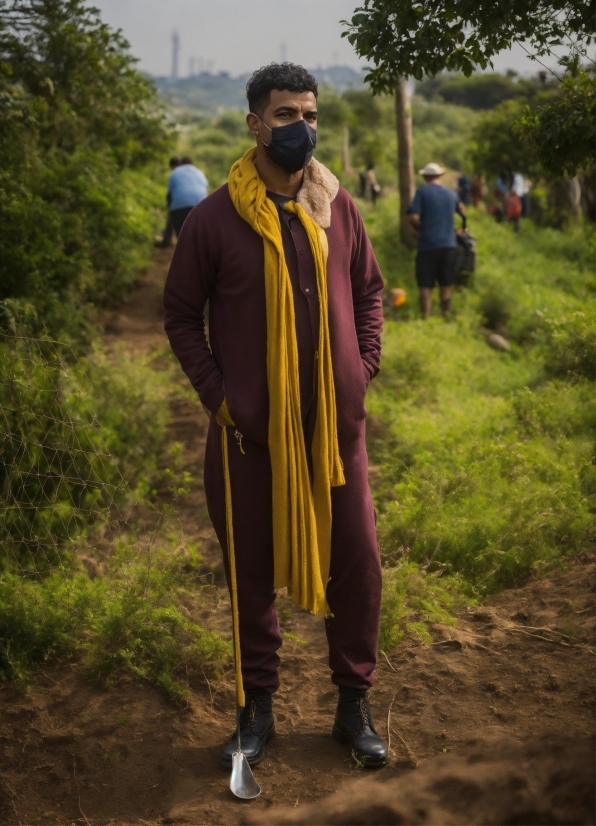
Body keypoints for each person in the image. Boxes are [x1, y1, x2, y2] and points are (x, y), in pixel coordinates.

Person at [163, 63, 387, 769]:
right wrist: (222, 397)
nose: (302, 128)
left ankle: (353, 708)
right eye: (286, 115)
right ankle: (255, 711)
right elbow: (178, 314)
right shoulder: (215, 218)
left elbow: (371, 291)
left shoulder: (337, 206)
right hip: (247, 439)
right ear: (254, 124)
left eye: (311, 114)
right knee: (251, 575)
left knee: (359, 568)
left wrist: (363, 367)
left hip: (335, 436)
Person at [407, 162, 466, 318]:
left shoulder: (422, 192)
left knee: (425, 285)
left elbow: (414, 217)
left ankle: (426, 318)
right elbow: (462, 213)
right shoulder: (452, 194)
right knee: (446, 284)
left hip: (428, 245)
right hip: (449, 245)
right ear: (439, 176)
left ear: (425, 177)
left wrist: (420, 228)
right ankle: (446, 315)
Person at [167, 156, 209, 236]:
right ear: (192, 164)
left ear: (181, 164)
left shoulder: (175, 172)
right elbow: (205, 187)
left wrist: (170, 210)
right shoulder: (200, 172)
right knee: (198, 234)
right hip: (200, 205)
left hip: (179, 208)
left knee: (181, 235)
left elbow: (171, 193)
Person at [156, 156, 181, 248]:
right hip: (199, 201)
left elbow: (170, 194)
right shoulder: (194, 171)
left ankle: (166, 242)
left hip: (180, 204)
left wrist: (170, 208)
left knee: (171, 220)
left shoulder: (175, 173)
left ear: (173, 166)